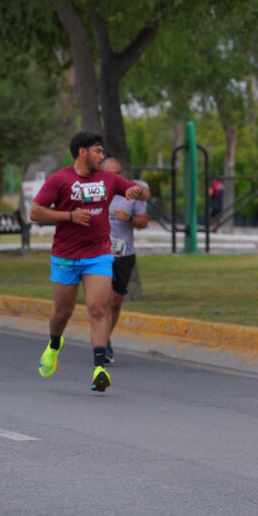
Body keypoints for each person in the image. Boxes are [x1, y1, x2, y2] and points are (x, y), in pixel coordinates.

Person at [30, 133, 149, 392]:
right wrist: (69, 216)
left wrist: (135, 190)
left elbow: (140, 191)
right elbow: (35, 211)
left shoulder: (108, 179)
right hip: (65, 256)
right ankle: (54, 344)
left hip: (98, 254)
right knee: (63, 313)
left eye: (102, 151)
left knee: (98, 309)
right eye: (97, 151)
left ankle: (99, 369)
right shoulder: (60, 179)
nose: (102, 156)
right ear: (82, 152)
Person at [102, 157, 149, 363]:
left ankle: (105, 338)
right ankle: (102, 344)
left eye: (118, 173)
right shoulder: (95, 192)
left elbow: (144, 221)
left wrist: (128, 218)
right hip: (100, 254)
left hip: (124, 254)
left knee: (115, 301)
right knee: (102, 300)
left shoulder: (130, 193)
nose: (114, 177)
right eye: (110, 172)